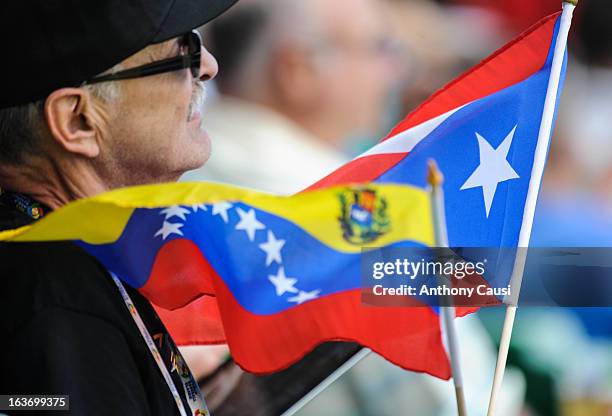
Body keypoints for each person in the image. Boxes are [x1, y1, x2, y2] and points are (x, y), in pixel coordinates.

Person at [0, 0, 237, 414]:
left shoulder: (54, 261)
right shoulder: (56, 306)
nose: (208, 67)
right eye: (181, 52)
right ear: (78, 121)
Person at [182, 0, 398, 193]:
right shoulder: (329, 201)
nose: (397, 68)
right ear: (298, 70)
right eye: (380, 47)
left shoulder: (178, 159)